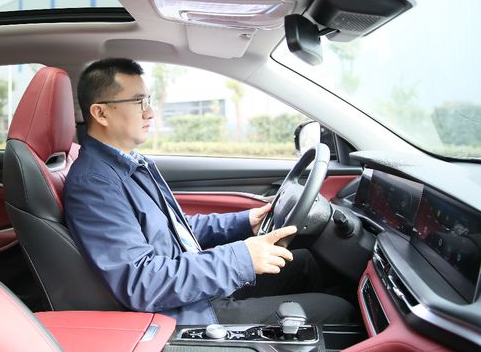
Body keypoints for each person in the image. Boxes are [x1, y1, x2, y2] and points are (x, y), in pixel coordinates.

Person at [63, 58, 358, 325]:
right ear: (101, 113)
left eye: (148, 100)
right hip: (186, 313)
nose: (150, 112)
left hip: (195, 288)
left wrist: (244, 223)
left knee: (304, 262)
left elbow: (174, 230)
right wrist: (242, 258)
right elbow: (141, 282)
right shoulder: (94, 184)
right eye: (139, 102)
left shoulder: (128, 164)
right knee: (338, 311)